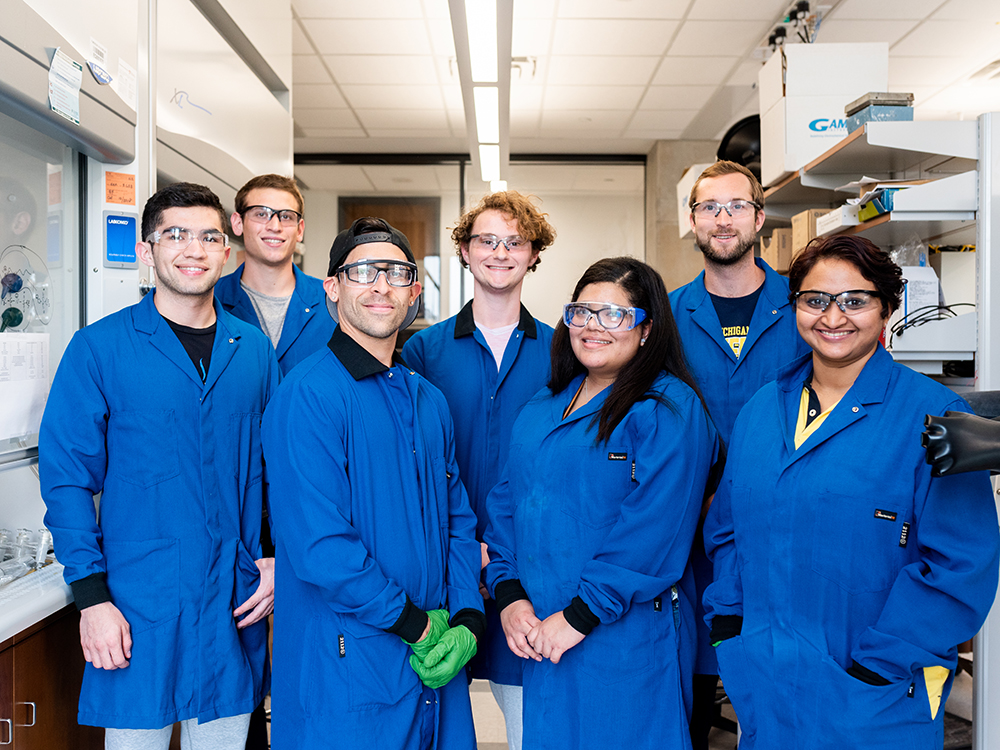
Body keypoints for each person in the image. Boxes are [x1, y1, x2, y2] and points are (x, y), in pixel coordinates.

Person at [703, 234, 1000, 749]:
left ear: (889, 307)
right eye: (815, 300)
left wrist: (880, 667)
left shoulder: (935, 419)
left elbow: (961, 564)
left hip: (877, 692)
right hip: (767, 681)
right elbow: (728, 529)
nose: (832, 317)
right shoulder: (760, 411)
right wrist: (730, 623)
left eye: (855, 301)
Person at [39, 182, 279, 749]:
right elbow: (67, 480)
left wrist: (275, 560)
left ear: (227, 251)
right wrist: (92, 600)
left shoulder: (254, 351)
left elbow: (278, 475)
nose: (193, 249)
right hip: (136, 608)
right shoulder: (99, 350)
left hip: (231, 604)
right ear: (147, 251)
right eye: (175, 234)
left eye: (208, 236)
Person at [263, 217, 486, 749]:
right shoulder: (309, 396)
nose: (381, 284)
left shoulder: (426, 399)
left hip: (435, 661)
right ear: (333, 288)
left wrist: (469, 619)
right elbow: (321, 547)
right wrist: (418, 626)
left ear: (413, 291)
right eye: (363, 271)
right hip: (348, 660)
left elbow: (457, 520)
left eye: (395, 272)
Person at [485, 256, 722, 750]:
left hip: (624, 637)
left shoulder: (668, 410)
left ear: (646, 329)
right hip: (539, 632)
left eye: (613, 314)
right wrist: (508, 597)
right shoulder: (543, 405)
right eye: (583, 311)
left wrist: (580, 616)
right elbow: (507, 506)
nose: (593, 326)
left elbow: (655, 531)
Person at [402, 191, 556, 749]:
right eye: (486, 240)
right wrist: (465, 544)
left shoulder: (563, 353)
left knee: (528, 724)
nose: (500, 252)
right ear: (464, 251)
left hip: (528, 564)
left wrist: (506, 545)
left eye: (514, 241)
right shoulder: (422, 352)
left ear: (533, 253)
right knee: (434, 713)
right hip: (442, 560)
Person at [669, 160, 809, 748]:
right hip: (687, 533)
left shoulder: (807, 309)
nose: (723, 219)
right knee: (691, 694)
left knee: (787, 689)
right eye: (709, 208)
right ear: (693, 220)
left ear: (759, 216)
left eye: (736, 206)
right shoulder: (669, 316)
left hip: (786, 526)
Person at [216, 173, 334, 375]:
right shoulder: (211, 299)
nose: (275, 226)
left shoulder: (332, 303)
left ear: (299, 230)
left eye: (286, 216)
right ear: (237, 223)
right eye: (261, 214)